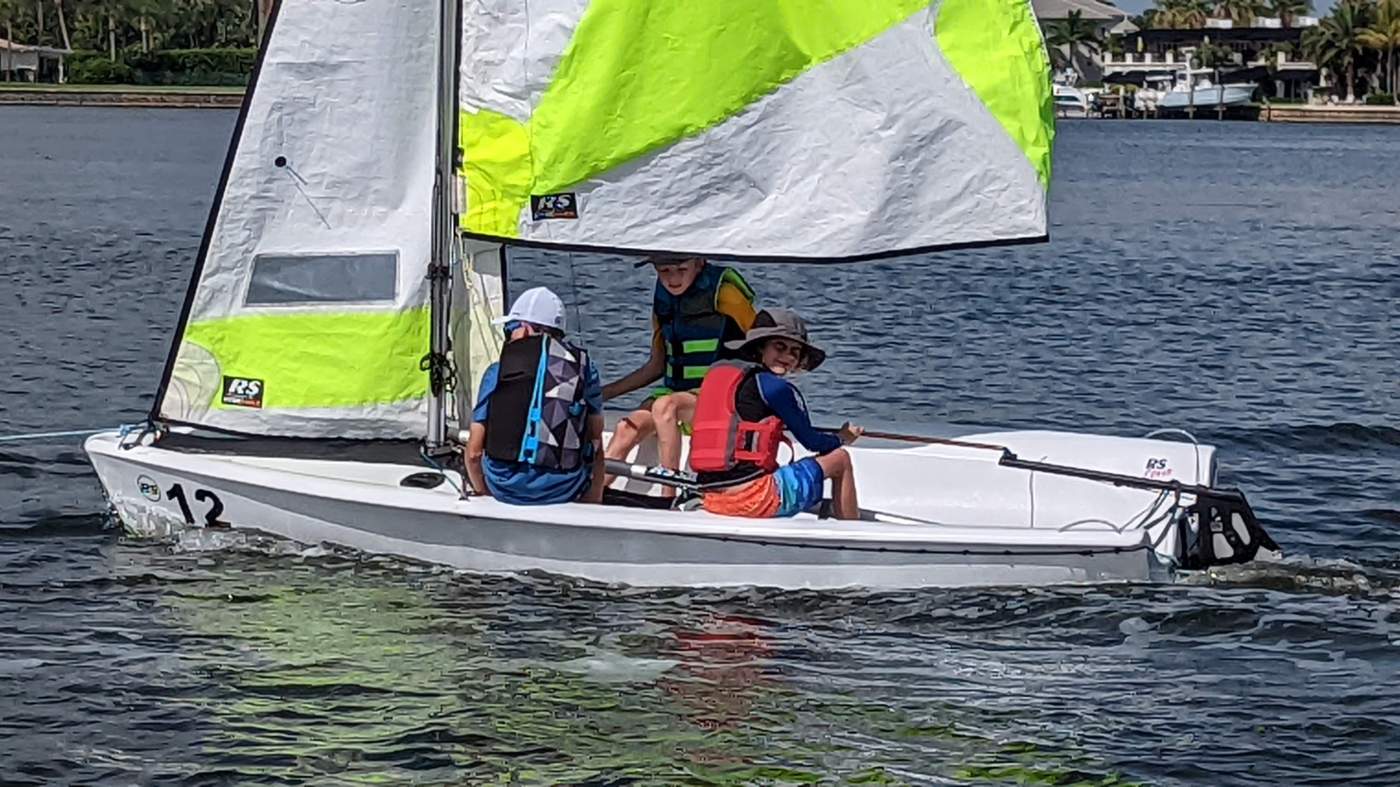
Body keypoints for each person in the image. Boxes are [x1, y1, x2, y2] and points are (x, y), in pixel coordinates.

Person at [689, 308, 863, 520]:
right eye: (779, 347)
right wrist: (843, 437)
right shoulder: (775, 387)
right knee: (840, 459)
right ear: (761, 347)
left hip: (709, 498)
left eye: (794, 352)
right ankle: (851, 532)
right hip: (754, 499)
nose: (787, 357)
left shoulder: (720, 374)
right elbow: (813, 442)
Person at [602, 256, 757, 483]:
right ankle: (594, 496)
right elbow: (656, 366)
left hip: (719, 400)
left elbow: (762, 344)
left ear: (699, 263)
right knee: (628, 427)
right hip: (678, 397)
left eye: (681, 269)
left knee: (666, 406)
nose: (673, 279)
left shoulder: (726, 295)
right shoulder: (663, 301)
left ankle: (670, 495)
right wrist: (602, 393)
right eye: (664, 270)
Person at [465, 286, 605, 505]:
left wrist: (484, 494)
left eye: (510, 329)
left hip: (503, 487)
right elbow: (596, 442)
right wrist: (594, 498)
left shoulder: (497, 371)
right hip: (563, 489)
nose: (509, 336)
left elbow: (473, 453)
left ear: (526, 329)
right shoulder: (586, 369)